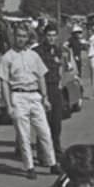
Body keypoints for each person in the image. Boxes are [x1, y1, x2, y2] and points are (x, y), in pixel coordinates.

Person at [0, 23, 58, 180]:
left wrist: (45, 97)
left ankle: (52, 163)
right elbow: (4, 82)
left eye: (24, 36)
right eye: (18, 36)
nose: (21, 39)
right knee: (23, 134)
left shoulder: (34, 55)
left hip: (34, 95)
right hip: (18, 96)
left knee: (44, 131)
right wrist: (9, 105)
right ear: (14, 37)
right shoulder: (7, 57)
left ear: (28, 38)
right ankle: (29, 166)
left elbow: (41, 76)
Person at [33, 22, 64, 158]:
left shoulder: (57, 50)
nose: (51, 38)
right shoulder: (37, 52)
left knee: (56, 123)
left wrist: (60, 81)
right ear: (44, 36)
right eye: (49, 35)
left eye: (54, 35)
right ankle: (42, 153)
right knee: (43, 123)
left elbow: (61, 66)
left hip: (55, 87)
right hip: (43, 88)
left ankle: (56, 149)